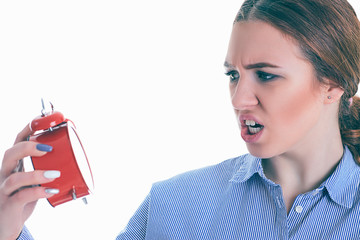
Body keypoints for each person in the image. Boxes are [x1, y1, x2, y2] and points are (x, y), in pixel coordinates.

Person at [1, 0, 360, 239]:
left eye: (265, 75)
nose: (239, 99)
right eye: (233, 75)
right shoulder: (173, 204)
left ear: (333, 86)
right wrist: (10, 228)